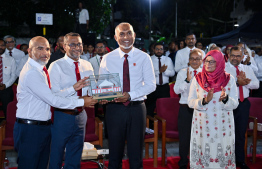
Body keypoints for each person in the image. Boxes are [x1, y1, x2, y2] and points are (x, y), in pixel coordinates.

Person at [13, 36, 97, 169]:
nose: (45, 52)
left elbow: (50, 95)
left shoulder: (40, 70)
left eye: (47, 49)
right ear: (29, 51)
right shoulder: (32, 73)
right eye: (40, 49)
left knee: (41, 164)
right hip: (31, 129)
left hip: (41, 126)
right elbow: (53, 100)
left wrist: (73, 88)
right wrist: (80, 101)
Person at [99, 22, 156, 169]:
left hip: (137, 109)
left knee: (136, 154)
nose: (126, 37)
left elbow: (151, 85)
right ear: (115, 37)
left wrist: (130, 95)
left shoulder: (144, 57)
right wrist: (102, 96)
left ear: (134, 35)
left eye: (129, 33)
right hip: (114, 109)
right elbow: (102, 85)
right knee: (114, 154)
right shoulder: (107, 58)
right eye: (122, 34)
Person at [48, 32, 97, 169]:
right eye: (72, 44)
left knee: (75, 156)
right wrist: (74, 91)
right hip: (62, 116)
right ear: (64, 46)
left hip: (81, 116)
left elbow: (92, 89)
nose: (77, 47)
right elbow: (54, 95)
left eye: (79, 44)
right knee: (56, 155)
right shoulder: (56, 66)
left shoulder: (87, 65)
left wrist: (103, 96)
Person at [188, 50, 238, 169]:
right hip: (202, 126)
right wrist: (204, 101)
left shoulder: (229, 79)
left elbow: (235, 103)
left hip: (223, 126)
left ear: (220, 62)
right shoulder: (198, 79)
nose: (208, 64)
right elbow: (190, 102)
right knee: (203, 153)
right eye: (206, 61)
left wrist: (226, 99)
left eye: (212, 62)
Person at [225, 46, 259, 169]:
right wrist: (236, 83)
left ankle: (240, 160)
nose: (235, 58)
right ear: (229, 55)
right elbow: (221, 86)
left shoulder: (247, 69)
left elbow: (256, 84)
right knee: (227, 134)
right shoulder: (223, 68)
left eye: (238, 56)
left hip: (243, 104)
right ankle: (227, 160)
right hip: (227, 104)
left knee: (240, 134)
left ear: (242, 57)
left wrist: (246, 83)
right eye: (233, 55)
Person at [174, 49, 203, 169]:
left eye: (197, 59)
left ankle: (199, 161)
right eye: (192, 59)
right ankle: (183, 162)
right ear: (189, 60)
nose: (195, 61)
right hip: (185, 108)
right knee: (185, 137)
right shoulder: (182, 72)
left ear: (202, 61)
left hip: (201, 109)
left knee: (201, 137)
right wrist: (187, 81)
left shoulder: (205, 73)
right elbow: (176, 90)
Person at [145, 42, 174, 127]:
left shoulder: (168, 59)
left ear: (164, 50)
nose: (159, 51)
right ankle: (149, 128)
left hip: (164, 88)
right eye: (157, 49)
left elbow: (172, 73)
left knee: (165, 108)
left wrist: (165, 71)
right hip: (153, 87)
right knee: (150, 108)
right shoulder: (149, 59)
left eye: (161, 49)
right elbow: (147, 74)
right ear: (153, 50)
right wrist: (159, 72)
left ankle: (164, 127)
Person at [0, 39, 16, 119]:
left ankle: (7, 130)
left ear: (5, 46)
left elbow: (13, 75)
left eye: (2, 45)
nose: (0, 47)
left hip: (6, 89)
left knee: (7, 113)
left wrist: (5, 85)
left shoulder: (10, 59)